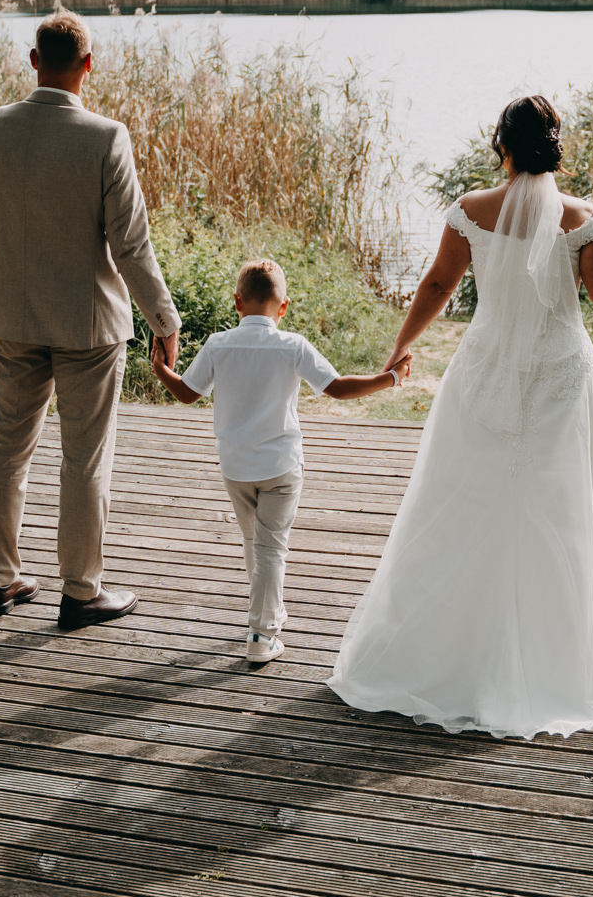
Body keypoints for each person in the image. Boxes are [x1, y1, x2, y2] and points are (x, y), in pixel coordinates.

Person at [328, 95, 593, 738]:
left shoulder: (470, 210)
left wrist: (401, 347)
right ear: (554, 145)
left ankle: (445, 656)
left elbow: (437, 285)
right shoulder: (584, 218)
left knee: (464, 499)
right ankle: (568, 662)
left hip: (486, 370)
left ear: (501, 143)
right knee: (568, 509)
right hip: (560, 376)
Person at [0, 8, 180, 629]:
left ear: (34, 61)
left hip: (10, 315)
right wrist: (163, 319)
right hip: (88, 326)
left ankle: (0, 580)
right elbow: (130, 245)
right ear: (89, 64)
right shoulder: (106, 136)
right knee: (84, 457)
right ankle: (80, 591)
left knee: (6, 446)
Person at [154, 259, 410, 662]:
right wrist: (390, 378)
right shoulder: (293, 346)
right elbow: (337, 388)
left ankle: (267, 613)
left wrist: (160, 369)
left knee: (254, 542)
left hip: (236, 467)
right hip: (281, 467)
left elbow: (187, 392)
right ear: (284, 307)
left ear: (237, 301)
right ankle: (261, 634)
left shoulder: (219, 344)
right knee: (271, 547)